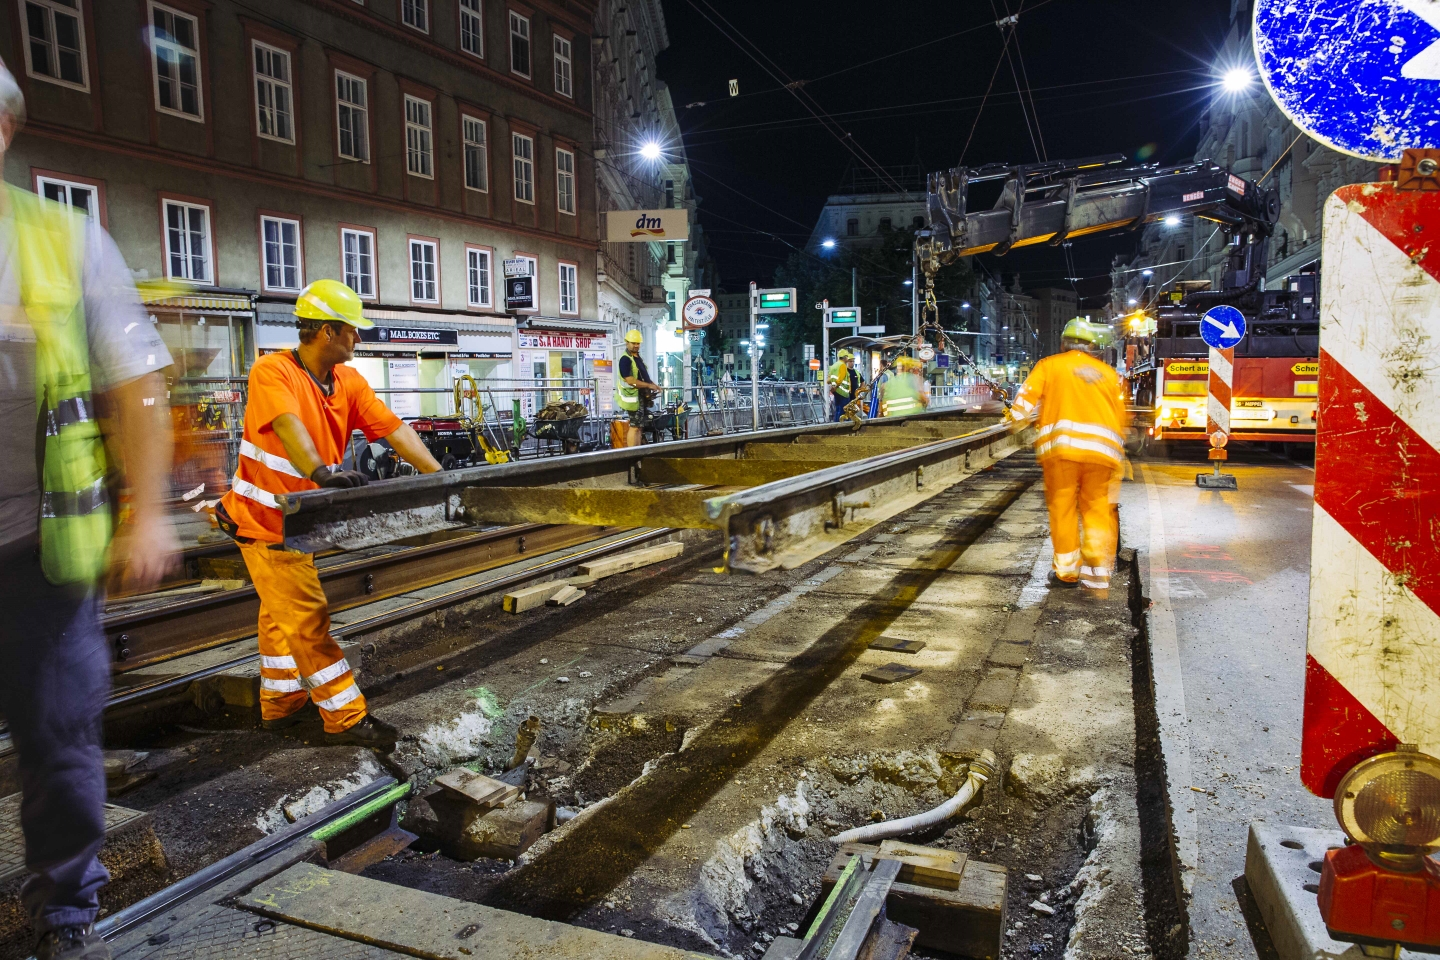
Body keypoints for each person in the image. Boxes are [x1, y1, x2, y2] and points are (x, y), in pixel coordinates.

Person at [0, 61, 179, 960]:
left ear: (4, 129)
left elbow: (136, 382)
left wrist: (148, 515)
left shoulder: (59, 241)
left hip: (41, 548)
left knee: (59, 738)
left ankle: (66, 915)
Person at [217, 279, 442, 749]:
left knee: (280, 618)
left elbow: (394, 430)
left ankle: (280, 707)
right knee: (307, 619)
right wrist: (321, 472)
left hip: (303, 522)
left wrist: (441, 477)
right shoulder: (272, 371)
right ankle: (346, 718)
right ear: (326, 331)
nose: (358, 338)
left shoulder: (348, 382)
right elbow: (287, 424)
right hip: (266, 522)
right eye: (351, 330)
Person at [1007, 317, 1130, 597]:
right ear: (1090, 346)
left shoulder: (1050, 365)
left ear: (1064, 343)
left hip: (1062, 453)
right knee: (1097, 507)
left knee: (1063, 509)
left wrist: (1014, 420)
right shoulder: (1108, 373)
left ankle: (1067, 573)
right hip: (1103, 454)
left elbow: (1023, 404)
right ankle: (1098, 575)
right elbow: (1121, 416)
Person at [614, 328, 660, 447]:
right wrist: (649, 385)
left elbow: (642, 375)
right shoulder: (625, 359)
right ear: (627, 342)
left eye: (638, 343)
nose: (636, 345)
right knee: (635, 426)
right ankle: (632, 453)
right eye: (633, 343)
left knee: (639, 426)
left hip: (639, 395)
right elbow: (630, 380)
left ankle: (637, 451)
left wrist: (653, 384)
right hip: (633, 397)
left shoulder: (636, 357)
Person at [827, 349, 859, 421]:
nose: (847, 359)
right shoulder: (843, 365)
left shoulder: (833, 366)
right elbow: (840, 378)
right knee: (844, 411)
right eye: (847, 357)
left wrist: (833, 386)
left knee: (838, 409)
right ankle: (842, 426)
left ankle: (836, 425)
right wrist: (836, 386)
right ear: (844, 357)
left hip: (836, 392)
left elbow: (828, 380)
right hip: (843, 392)